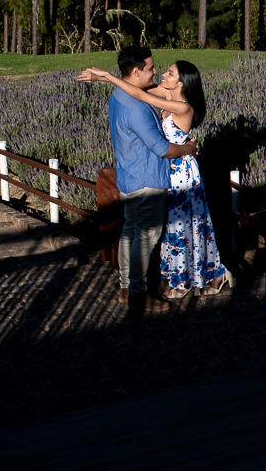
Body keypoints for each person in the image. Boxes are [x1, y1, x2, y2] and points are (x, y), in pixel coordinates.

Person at [79, 58, 231, 299]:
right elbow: (134, 88)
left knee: (181, 227)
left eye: (169, 73)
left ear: (181, 83)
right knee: (176, 227)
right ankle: (208, 274)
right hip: (165, 170)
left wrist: (107, 76)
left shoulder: (184, 107)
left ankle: (188, 280)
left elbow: (141, 97)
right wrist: (103, 79)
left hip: (181, 174)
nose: (163, 74)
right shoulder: (167, 93)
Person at [87, 46, 198, 312]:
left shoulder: (119, 95)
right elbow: (162, 149)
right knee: (145, 239)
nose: (155, 71)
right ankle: (137, 294)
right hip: (147, 180)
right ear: (136, 71)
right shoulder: (136, 107)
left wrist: (105, 77)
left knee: (130, 233)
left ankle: (128, 287)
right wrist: (188, 149)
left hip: (128, 176)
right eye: (150, 68)